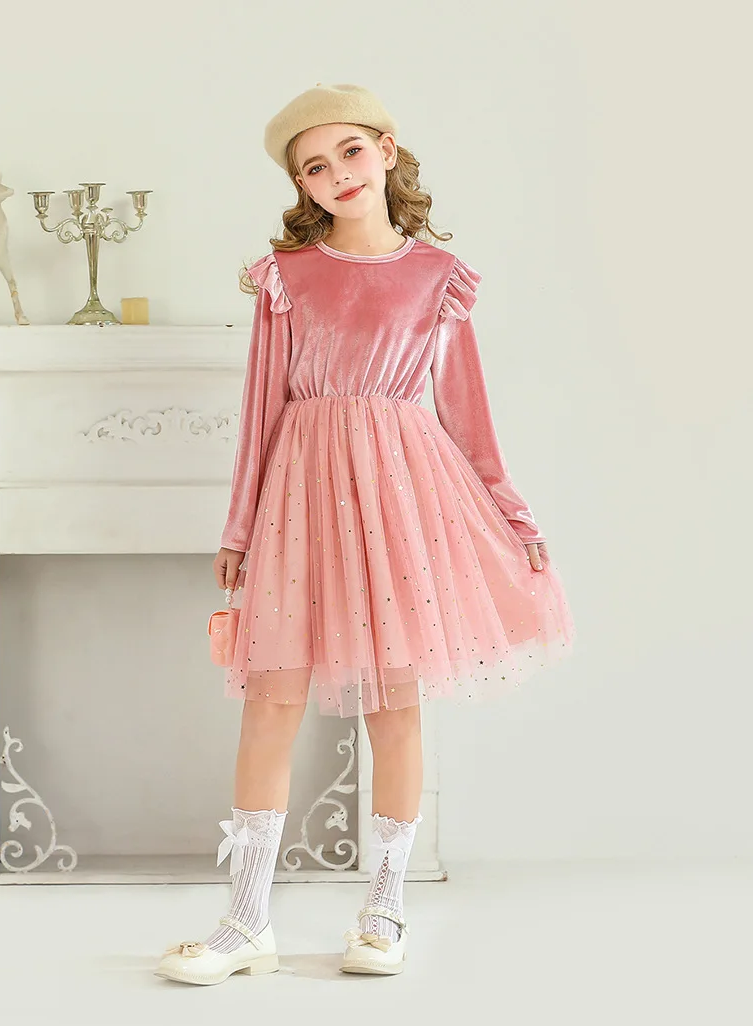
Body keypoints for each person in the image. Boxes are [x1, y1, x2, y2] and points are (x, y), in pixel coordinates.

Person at [155, 82, 576, 985]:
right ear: (301, 186)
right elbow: (262, 407)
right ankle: (246, 920)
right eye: (314, 166)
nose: (337, 173)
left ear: (386, 150)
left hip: (399, 495)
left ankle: (384, 911)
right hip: (300, 492)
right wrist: (239, 525)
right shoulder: (287, 276)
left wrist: (511, 510)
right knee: (271, 699)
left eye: (349, 151)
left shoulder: (438, 277)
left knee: (395, 702)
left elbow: (465, 412)